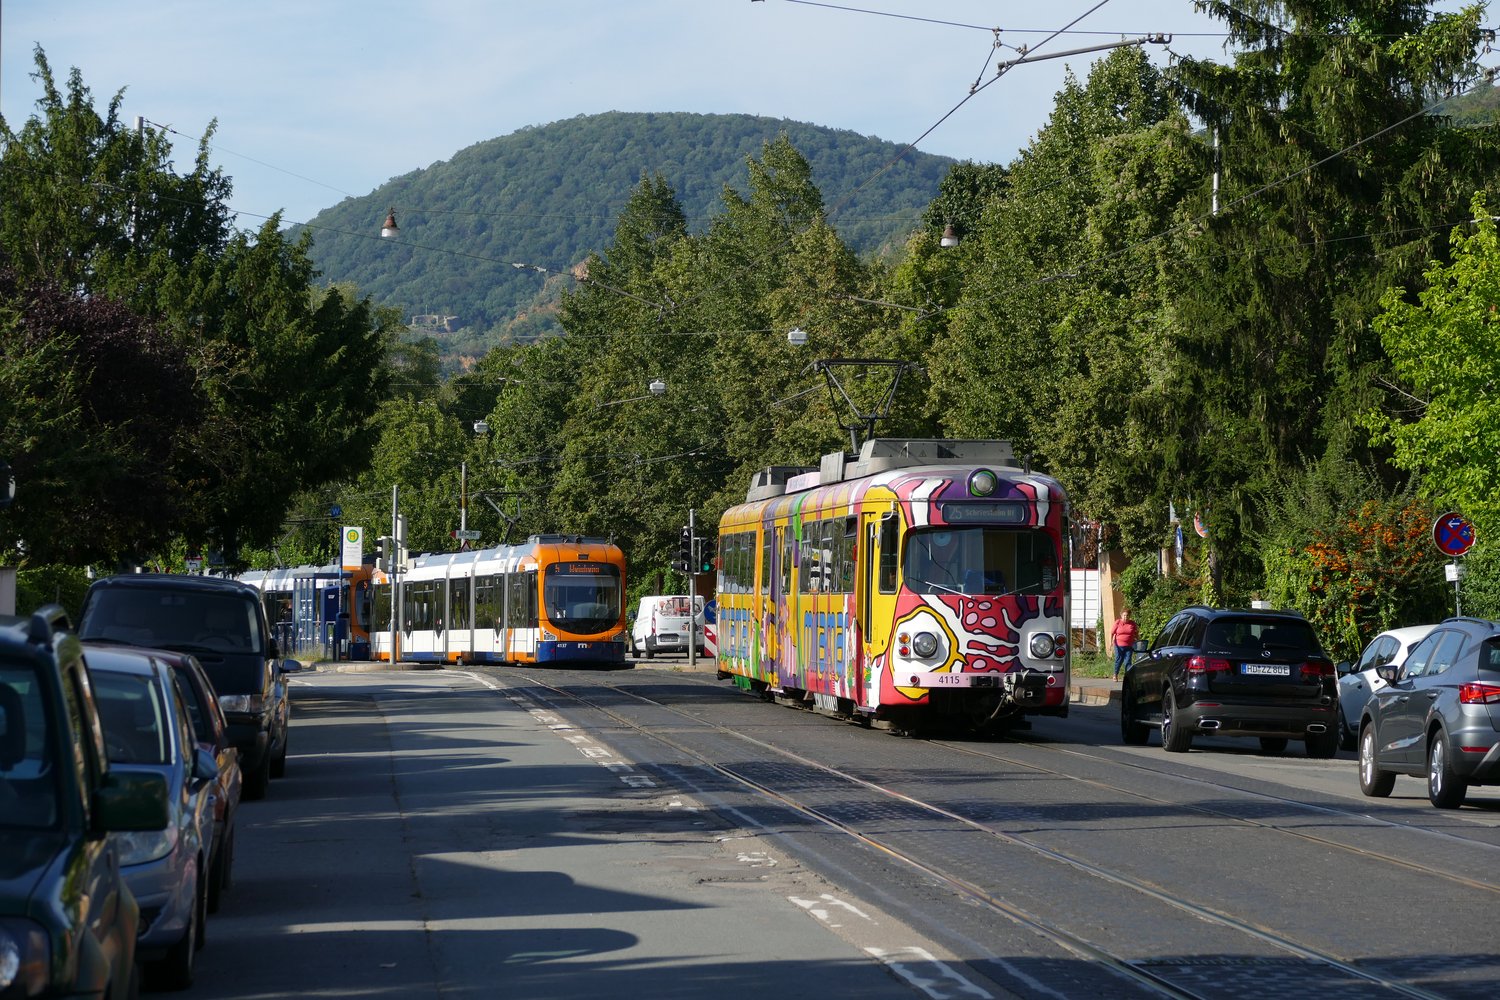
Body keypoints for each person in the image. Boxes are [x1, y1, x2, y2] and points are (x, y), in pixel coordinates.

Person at [1110, 608, 1139, 680]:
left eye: (1127, 615)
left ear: (1130, 616)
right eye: (1124, 615)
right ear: (1121, 615)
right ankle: (1115, 674)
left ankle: (1128, 677)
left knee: (1128, 661)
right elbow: (1112, 633)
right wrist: (1111, 642)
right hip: (1118, 645)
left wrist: (1138, 641)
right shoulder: (1118, 622)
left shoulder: (1132, 623)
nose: (1126, 617)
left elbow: (1136, 633)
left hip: (1129, 645)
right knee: (1119, 660)